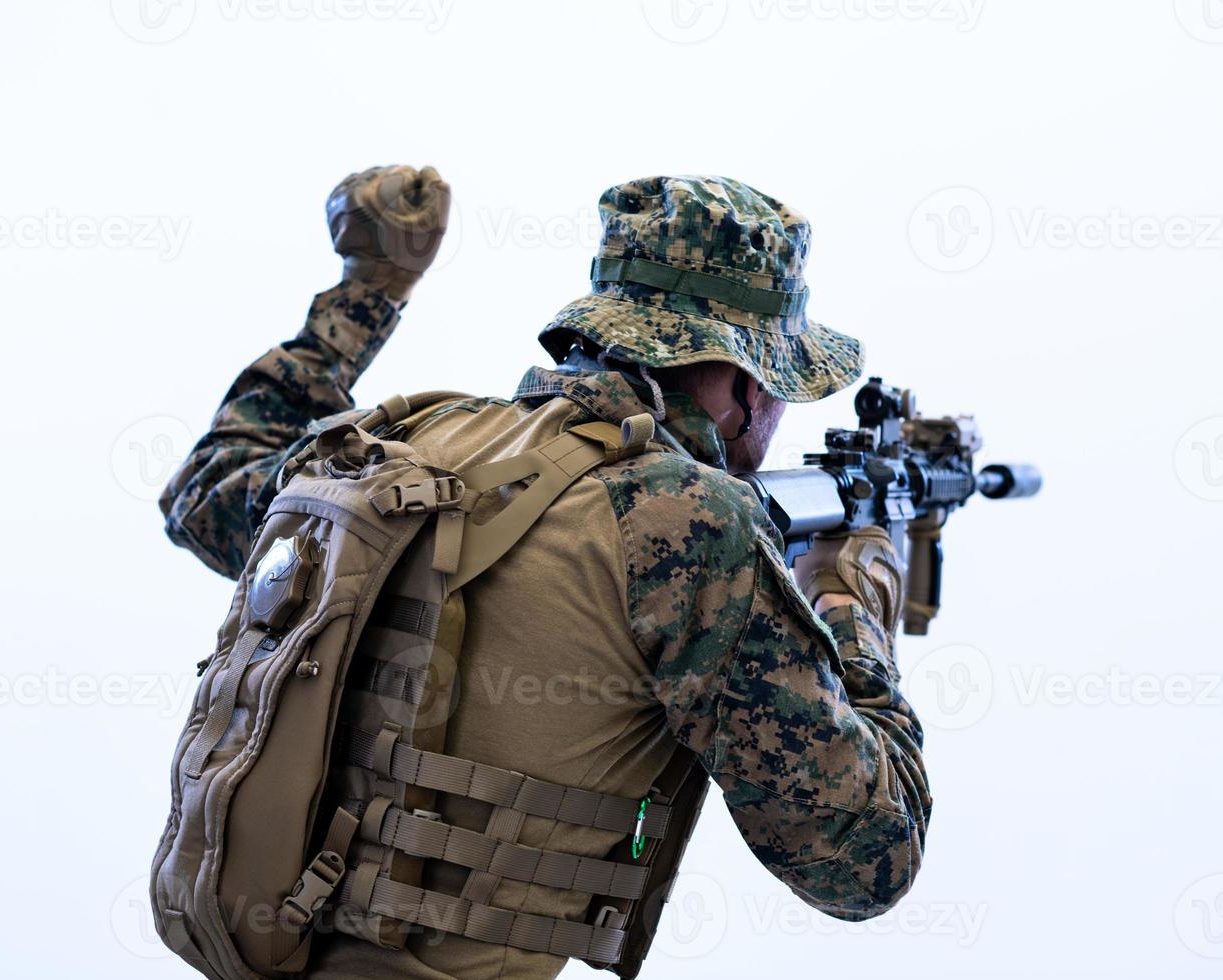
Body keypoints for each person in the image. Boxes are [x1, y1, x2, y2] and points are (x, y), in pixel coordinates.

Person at [159, 166, 931, 979]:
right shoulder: (690, 521)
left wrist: (370, 287)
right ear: (740, 379)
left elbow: (205, 488)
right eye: (781, 383)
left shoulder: (407, 447)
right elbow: (865, 859)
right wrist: (849, 603)